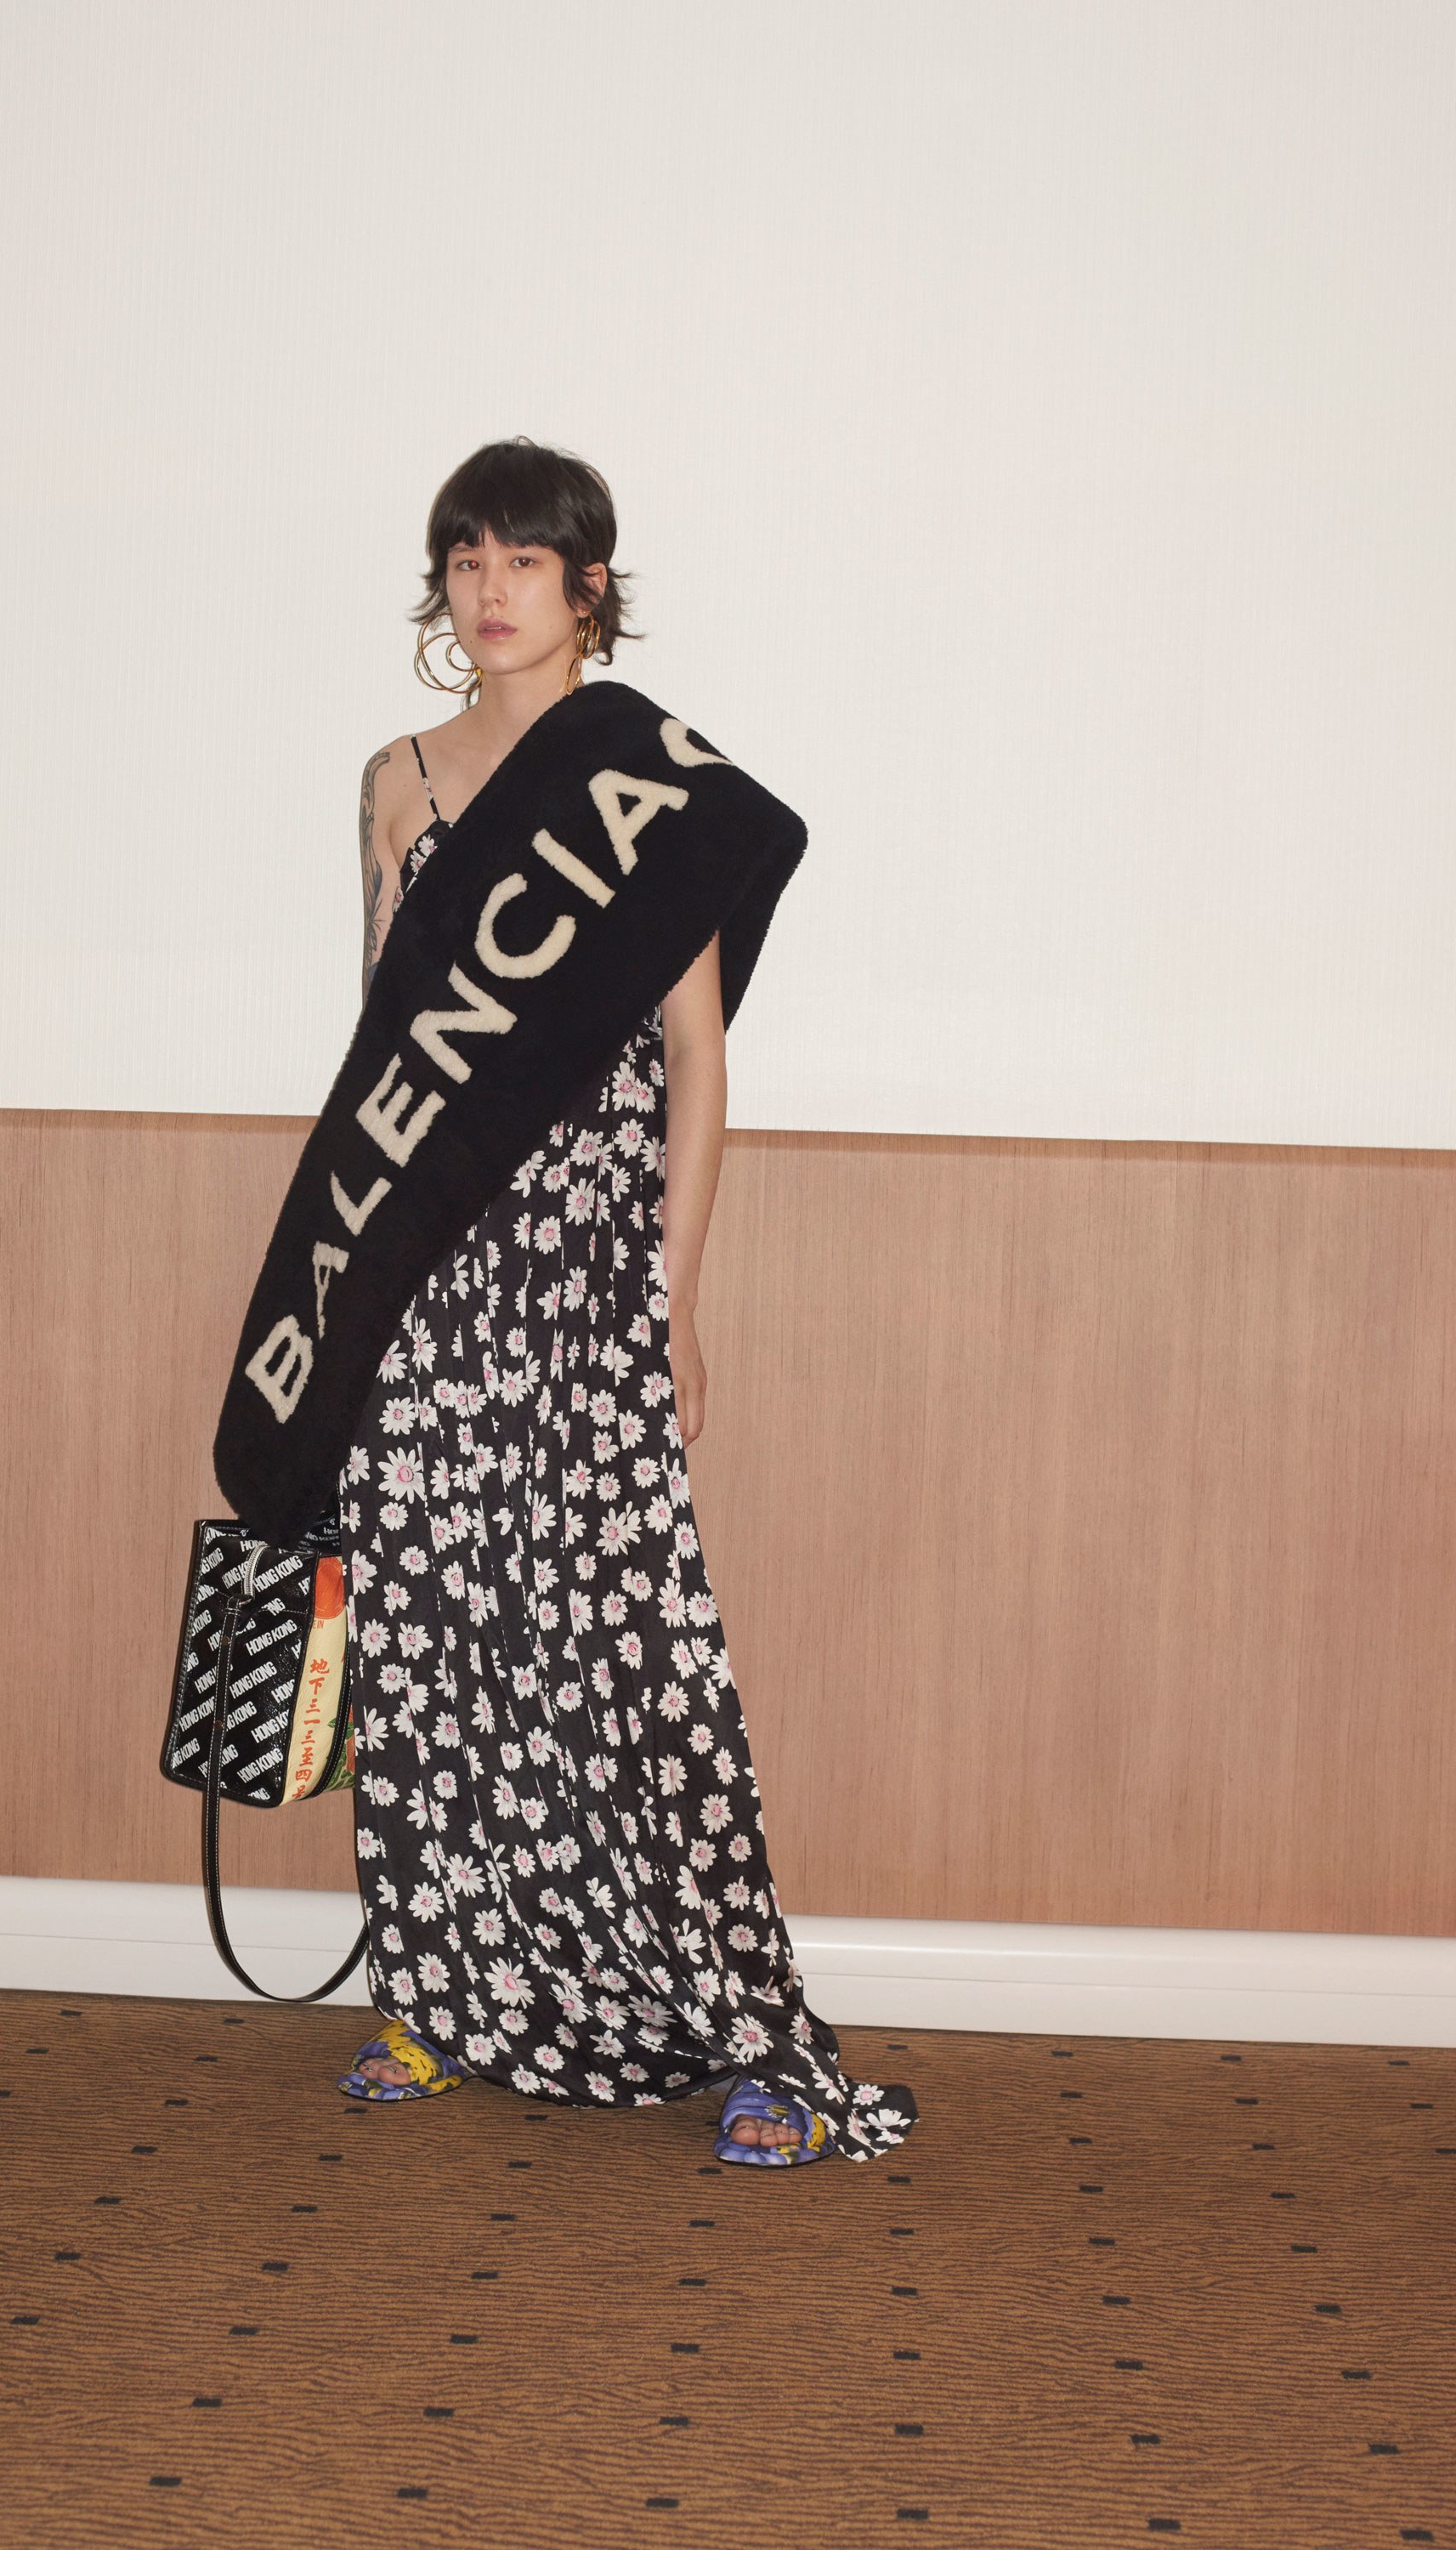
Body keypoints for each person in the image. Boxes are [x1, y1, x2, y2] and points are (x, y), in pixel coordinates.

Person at [333, 438, 916, 2167]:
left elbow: (695, 1056)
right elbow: (382, 1050)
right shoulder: (396, 780)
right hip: (428, 1263)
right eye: (466, 559)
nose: (491, 589)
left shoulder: (653, 787)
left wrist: (673, 1296)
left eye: (524, 559)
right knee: (436, 1632)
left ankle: (747, 2031)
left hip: (588, 1259)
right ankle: (451, 1997)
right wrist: (345, 1281)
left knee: (626, 1643)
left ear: (590, 586)